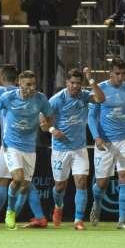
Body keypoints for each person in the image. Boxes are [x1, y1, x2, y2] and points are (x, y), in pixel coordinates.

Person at [0, 70, 54, 230]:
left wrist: (47, 125)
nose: (32, 88)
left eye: (34, 84)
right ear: (19, 84)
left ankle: (13, 213)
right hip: (11, 145)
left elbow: (50, 116)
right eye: (28, 85)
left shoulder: (41, 99)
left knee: (24, 185)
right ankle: (9, 212)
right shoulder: (9, 97)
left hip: (30, 148)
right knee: (17, 179)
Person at [43, 67, 105, 229]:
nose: (75, 86)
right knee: (59, 187)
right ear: (66, 83)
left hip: (79, 149)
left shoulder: (84, 96)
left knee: (81, 182)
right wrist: (52, 130)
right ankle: (58, 206)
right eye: (72, 83)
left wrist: (91, 79)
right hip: (60, 149)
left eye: (78, 83)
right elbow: (42, 121)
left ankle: (78, 220)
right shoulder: (56, 100)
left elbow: (101, 98)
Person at [87, 58, 125, 229]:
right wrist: (96, 137)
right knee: (102, 183)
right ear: (110, 73)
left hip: (123, 140)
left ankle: (122, 221)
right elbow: (91, 117)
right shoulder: (100, 89)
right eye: (117, 73)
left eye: (123, 73)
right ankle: (97, 202)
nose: (121, 77)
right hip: (105, 141)